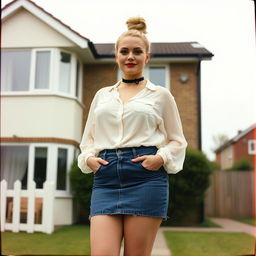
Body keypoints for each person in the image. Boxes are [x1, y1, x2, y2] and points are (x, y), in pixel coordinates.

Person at [78, 16, 187, 256]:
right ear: (116, 55)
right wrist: (88, 159)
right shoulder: (102, 95)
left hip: (145, 178)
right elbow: (88, 140)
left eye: (137, 52)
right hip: (106, 179)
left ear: (147, 57)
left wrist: (160, 158)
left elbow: (177, 140)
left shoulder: (160, 95)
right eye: (124, 51)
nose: (130, 56)